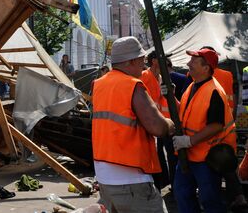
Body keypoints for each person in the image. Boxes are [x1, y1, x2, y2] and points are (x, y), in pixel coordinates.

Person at [92, 36, 174, 213]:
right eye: (141, 60)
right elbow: (157, 127)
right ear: (130, 61)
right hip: (130, 177)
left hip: (105, 175)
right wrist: (170, 124)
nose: (143, 64)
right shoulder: (133, 85)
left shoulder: (99, 84)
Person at [172, 48, 238, 213]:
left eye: (194, 61)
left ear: (206, 68)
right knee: (182, 194)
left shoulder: (214, 91)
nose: (188, 63)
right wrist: (171, 97)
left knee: (210, 201)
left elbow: (216, 125)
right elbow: (186, 112)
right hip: (188, 154)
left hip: (205, 158)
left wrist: (188, 141)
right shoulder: (193, 86)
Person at [141, 51, 175, 191]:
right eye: (164, 60)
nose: (166, 63)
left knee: (164, 155)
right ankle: (156, 185)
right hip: (149, 124)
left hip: (160, 123)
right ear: (154, 61)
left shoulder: (160, 78)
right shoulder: (144, 76)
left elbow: (160, 101)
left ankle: (164, 182)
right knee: (154, 155)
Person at [200, 46, 236, 117]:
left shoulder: (197, 75)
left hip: (207, 116)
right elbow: (233, 94)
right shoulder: (228, 74)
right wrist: (234, 111)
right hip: (228, 113)